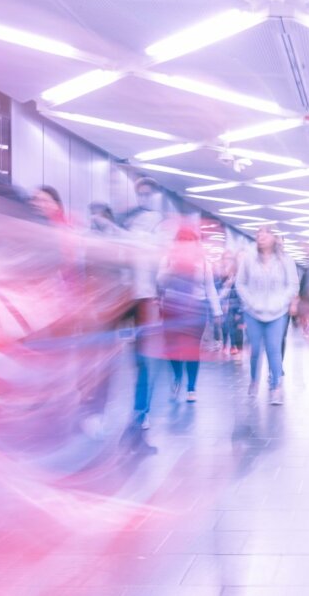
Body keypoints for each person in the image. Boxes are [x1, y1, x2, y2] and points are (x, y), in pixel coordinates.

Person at [119, 177, 165, 429]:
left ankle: (141, 410)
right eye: (141, 193)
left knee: (144, 358)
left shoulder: (159, 224)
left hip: (146, 298)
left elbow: (161, 257)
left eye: (148, 193)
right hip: (123, 297)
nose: (144, 198)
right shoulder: (125, 219)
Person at [236, 226, 299, 405]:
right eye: (258, 233)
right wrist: (250, 302)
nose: (261, 236)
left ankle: (276, 386)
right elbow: (240, 283)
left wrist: (281, 302)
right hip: (253, 312)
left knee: (274, 349)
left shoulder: (286, 260)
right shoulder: (249, 259)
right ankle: (254, 380)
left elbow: (293, 285)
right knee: (255, 349)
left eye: (266, 233)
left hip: (277, 312)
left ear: (275, 238)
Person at [157, 224, 221, 403]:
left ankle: (191, 387)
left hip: (196, 310)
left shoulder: (204, 264)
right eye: (182, 241)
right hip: (172, 309)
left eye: (190, 241)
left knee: (192, 350)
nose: (186, 245)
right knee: (172, 348)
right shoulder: (167, 260)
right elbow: (160, 283)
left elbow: (210, 288)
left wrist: (217, 312)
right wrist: (174, 267)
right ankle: (177, 376)